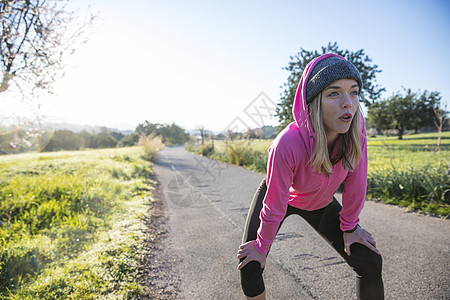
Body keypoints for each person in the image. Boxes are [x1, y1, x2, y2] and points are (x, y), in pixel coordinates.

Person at [236, 53, 384, 300]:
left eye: (354, 92)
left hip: (322, 203)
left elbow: (357, 181)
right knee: (250, 265)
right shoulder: (287, 143)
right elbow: (275, 203)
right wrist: (261, 248)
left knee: (370, 261)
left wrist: (349, 226)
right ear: (314, 101)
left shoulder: (356, 130)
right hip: (282, 197)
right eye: (334, 93)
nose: (348, 102)